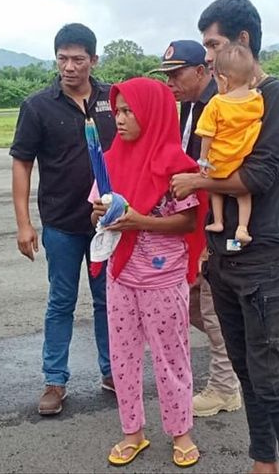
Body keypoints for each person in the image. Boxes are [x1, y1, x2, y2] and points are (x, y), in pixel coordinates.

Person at [171, 0, 279, 474]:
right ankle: (262, 461)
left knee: (270, 380)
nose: (207, 56)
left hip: (259, 261)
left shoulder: (272, 96)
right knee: (248, 374)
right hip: (222, 258)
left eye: (212, 44)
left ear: (242, 41)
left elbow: (260, 176)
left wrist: (198, 182)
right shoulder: (218, 101)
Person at [92, 77, 203, 468]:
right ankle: (133, 432)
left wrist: (140, 221)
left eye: (128, 111)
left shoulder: (175, 164)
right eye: (117, 111)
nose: (119, 119)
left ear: (152, 113)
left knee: (171, 357)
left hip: (163, 278)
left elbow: (188, 222)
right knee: (122, 358)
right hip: (121, 276)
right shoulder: (109, 159)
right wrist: (102, 214)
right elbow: (96, 206)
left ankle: (181, 432)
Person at [10, 23, 116, 416]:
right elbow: (22, 164)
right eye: (62, 58)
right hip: (61, 224)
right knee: (61, 302)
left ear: (93, 60)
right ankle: (55, 380)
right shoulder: (38, 105)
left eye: (78, 59)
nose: (69, 67)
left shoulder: (111, 99)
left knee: (109, 300)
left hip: (109, 224)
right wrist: (24, 223)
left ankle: (113, 371)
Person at [153, 40, 242, 418]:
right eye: (167, 75)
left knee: (210, 305)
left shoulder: (219, 105)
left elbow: (219, 169)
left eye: (177, 73)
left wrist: (207, 235)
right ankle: (242, 356)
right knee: (193, 305)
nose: (170, 81)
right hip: (195, 219)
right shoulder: (189, 105)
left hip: (220, 220)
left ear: (201, 71)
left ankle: (225, 386)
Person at [195, 43, 264, 246]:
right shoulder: (256, 99)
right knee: (244, 194)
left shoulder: (216, 103)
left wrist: (203, 160)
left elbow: (207, 134)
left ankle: (218, 221)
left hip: (220, 160)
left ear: (223, 79)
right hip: (242, 159)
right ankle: (243, 227)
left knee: (214, 188)